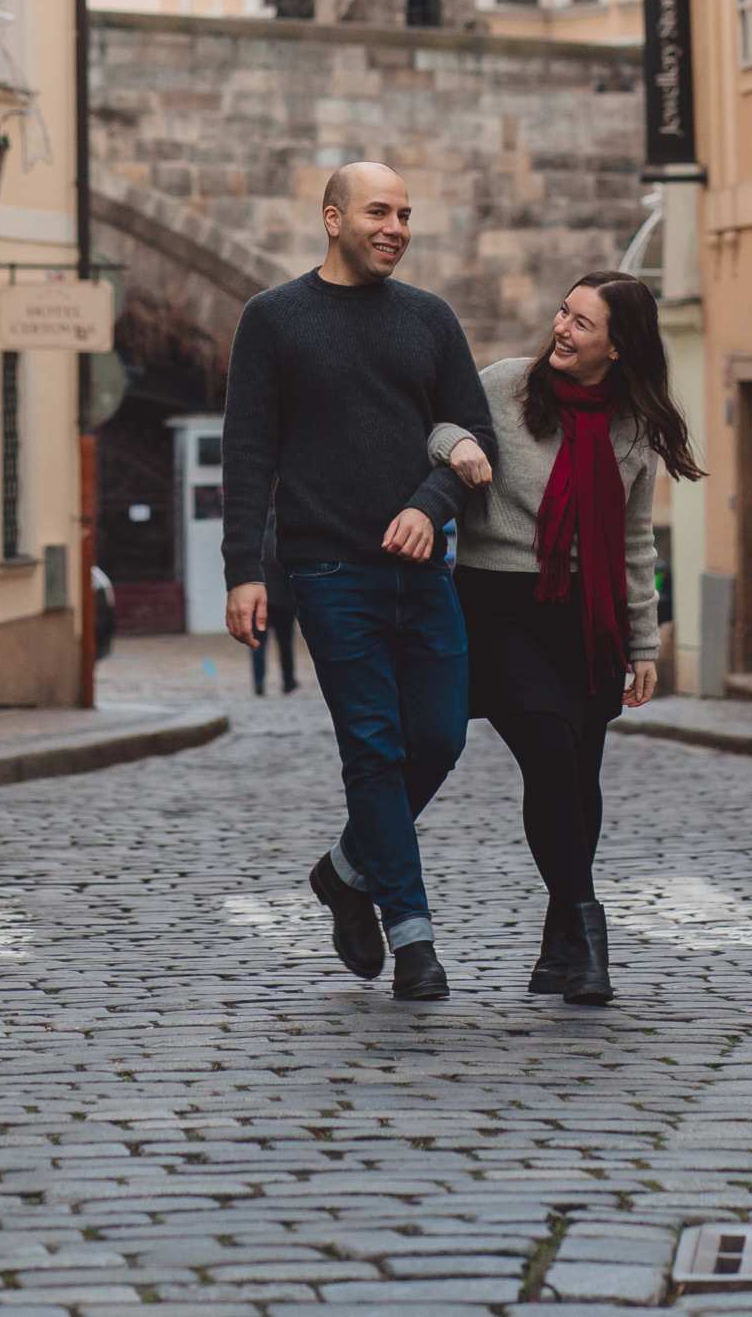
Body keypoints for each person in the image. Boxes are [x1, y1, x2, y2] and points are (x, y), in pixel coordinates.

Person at [223, 162, 496, 1002]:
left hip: (425, 572)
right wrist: (243, 573)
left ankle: (345, 870)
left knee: (441, 737)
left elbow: (473, 433)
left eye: (407, 214)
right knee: (373, 748)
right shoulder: (272, 320)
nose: (397, 227)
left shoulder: (430, 320)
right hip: (329, 570)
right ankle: (411, 935)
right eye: (380, 211)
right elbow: (248, 453)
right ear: (332, 217)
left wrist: (429, 502)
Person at [428, 272, 701, 1007]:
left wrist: (644, 644)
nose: (562, 329)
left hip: (589, 614)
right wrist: (456, 445)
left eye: (583, 323)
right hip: (500, 601)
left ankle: (558, 951)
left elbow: (638, 540)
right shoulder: (507, 386)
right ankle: (589, 933)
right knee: (549, 748)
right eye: (563, 313)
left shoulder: (634, 425)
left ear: (618, 346)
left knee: (580, 772)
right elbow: (436, 422)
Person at [250, 513, 298, 697]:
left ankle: (258, 681)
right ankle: (288, 681)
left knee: (257, 644)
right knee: (285, 644)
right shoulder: (284, 544)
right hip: (284, 602)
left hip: (260, 601)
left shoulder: (258, 544)